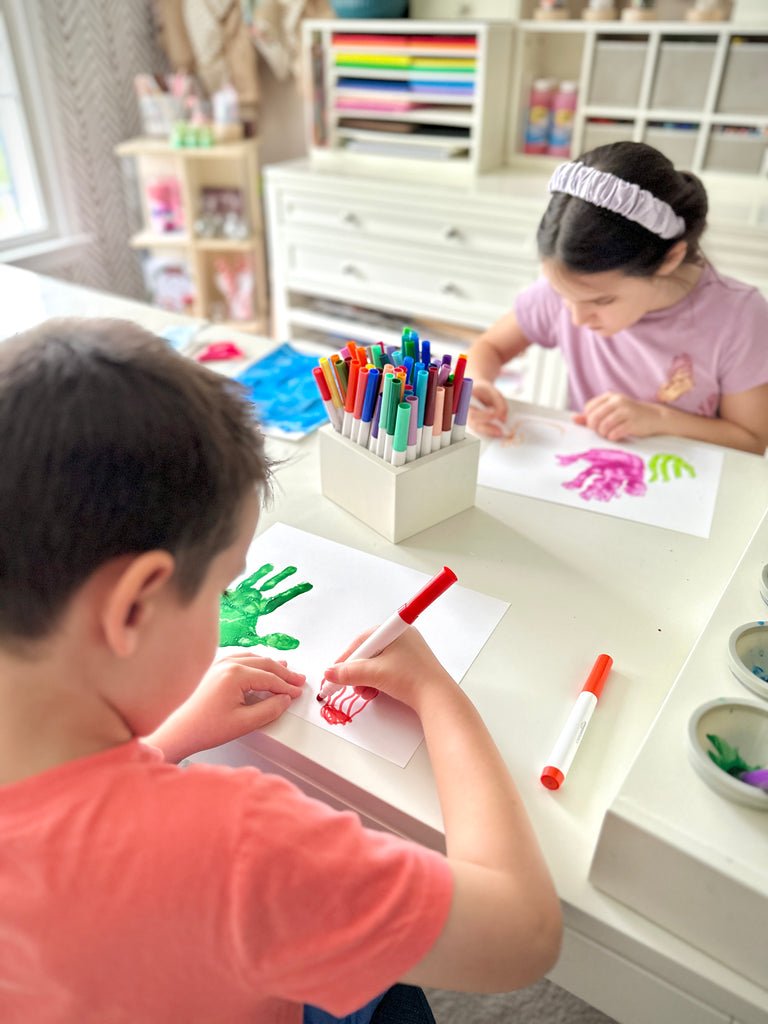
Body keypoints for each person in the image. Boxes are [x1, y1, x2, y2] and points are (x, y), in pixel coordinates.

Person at [0, 319, 561, 1024]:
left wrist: (162, 747)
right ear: (135, 608)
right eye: (223, 588)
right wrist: (441, 697)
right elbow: (524, 934)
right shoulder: (240, 851)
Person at [466, 142, 768, 454]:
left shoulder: (741, 317)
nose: (577, 319)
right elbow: (488, 347)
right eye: (562, 296)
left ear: (670, 259)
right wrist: (479, 384)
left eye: (602, 301)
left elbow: (752, 440)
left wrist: (660, 419)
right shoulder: (571, 286)